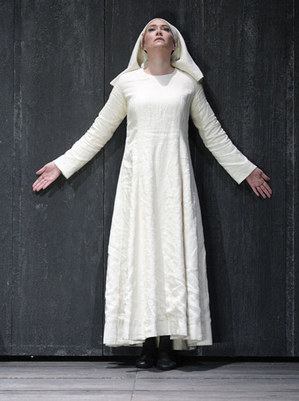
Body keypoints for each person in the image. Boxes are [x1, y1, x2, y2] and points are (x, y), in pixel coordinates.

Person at [33, 18, 272, 370]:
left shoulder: (187, 85)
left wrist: (246, 169)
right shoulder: (127, 84)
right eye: (151, 28)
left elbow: (213, 134)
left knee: (174, 255)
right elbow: (98, 132)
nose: (158, 31)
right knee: (140, 254)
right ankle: (146, 342)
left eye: (165, 29)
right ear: (143, 44)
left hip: (174, 182)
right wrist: (62, 165)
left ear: (174, 44)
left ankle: (167, 344)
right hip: (138, 183)